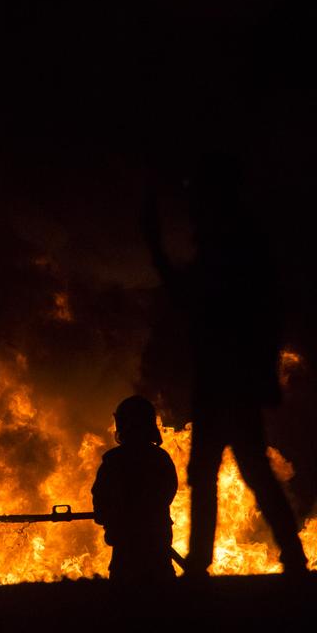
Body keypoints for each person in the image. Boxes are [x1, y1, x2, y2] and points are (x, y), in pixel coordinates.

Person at [145, 159, 309, 577]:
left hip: (231, 382)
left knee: (243, 471)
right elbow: (189, 297)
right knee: (215, 472)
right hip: (220, 381)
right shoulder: (225, 247)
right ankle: (211, 559)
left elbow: (260, 314)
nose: (195, 210)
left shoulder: (235, 250)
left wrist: (157, 249)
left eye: (200, 200)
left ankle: (278, 555)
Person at [91, 395, 178, 583]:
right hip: (158, 544)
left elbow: (100, 504)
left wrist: (114, 519)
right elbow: (167, 494)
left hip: (126, 549)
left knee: (125, 601)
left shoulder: (114, 461)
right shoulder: (160, 459)